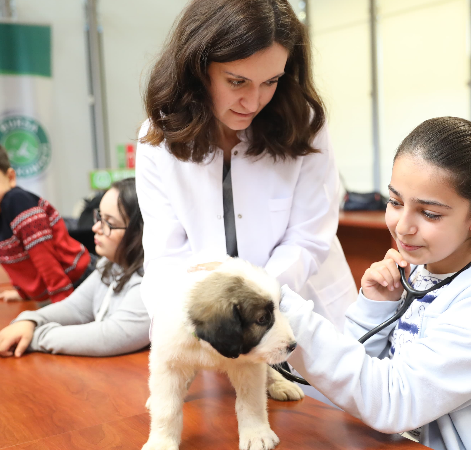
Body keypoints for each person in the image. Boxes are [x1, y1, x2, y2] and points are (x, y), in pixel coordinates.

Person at [272, 117, 471, 449]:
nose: (403, 226)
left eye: (429, 213)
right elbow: (347, 388)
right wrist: (375, 308)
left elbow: (393, 402)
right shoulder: (426, 269)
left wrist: (274, 305)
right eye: (395, 202)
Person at [136, 0, 356, 334]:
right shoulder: (159, 138)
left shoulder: (303, 122)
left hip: (306, 315)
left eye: (271, 81)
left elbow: (308, 237)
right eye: (237, 82)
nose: (254, 102)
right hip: (213, 324)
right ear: (197, 69)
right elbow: (166, 256)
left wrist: (251, 299)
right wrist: (187, 326)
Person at [0, 178, 149, 357]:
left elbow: (110, 337)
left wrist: (33, 336)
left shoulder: (152, 281)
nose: (96, 227)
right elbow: (75, 308)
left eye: (109, 223)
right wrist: (29, 321)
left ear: (141, 232)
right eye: (99, 217)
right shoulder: (111, 264)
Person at [0, 137, 94, 302]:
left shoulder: (18, 202)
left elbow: (45, 258)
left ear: (10, 178)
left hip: (78, 280)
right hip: (56, 289)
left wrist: (62, 305)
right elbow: (9, 259)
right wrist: (23, 292)